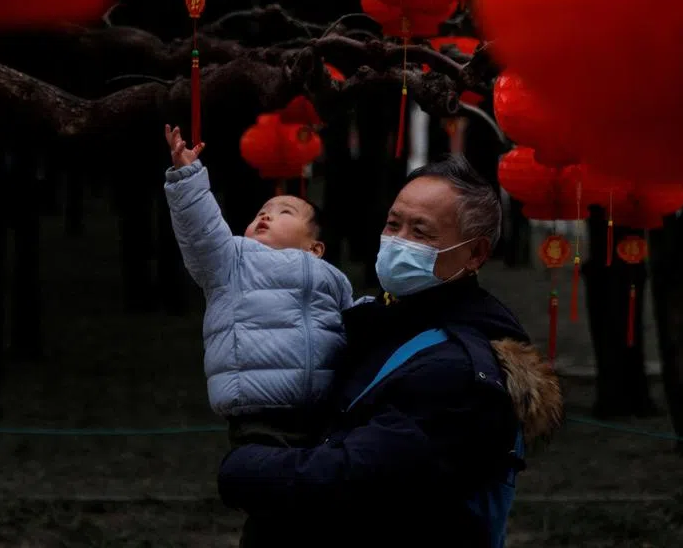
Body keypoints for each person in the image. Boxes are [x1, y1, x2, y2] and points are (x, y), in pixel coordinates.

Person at [218, 155, 563, 548]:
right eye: (393, 224)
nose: (399, 241)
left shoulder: (458, 367)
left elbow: (358, 477)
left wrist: (247, 469)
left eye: (421, 232)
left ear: (475, 254)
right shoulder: (382, 323)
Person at [162, 125, 354, 448]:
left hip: (322, 418)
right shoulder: (232, 260)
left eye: (284, 213)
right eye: (261, 212)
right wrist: (187, 177)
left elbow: (355, 326)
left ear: (315, 248)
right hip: (255, 418)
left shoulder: (333, 280)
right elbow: (202, 231)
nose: (266, 217)